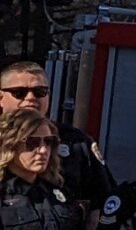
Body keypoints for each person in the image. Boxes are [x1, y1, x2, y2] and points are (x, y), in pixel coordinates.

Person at [0, 61, 111, 213]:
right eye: (19, 92)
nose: (30, 98)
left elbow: (102, 200)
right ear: (1, 98)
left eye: (40, 92)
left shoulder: (76, 142)